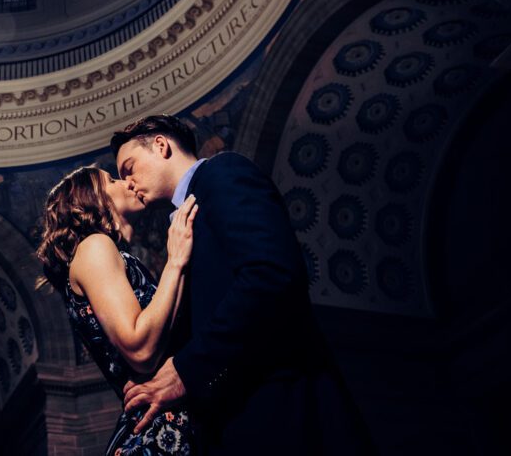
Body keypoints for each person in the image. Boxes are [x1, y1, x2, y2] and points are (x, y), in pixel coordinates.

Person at [112, 115, 372, 454]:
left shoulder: (223, 173)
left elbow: (271, 274)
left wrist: (186, 369)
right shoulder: (179, 226)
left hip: (284, 412)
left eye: (129, 168)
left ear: (161, 146)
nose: (127, 183)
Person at [36, 166, 200, 454]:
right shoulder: (94, 246)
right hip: (159, 438)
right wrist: (175, 260)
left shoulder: (105, 252)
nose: (126, 183)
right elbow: (140, 350)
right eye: (111, 180)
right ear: (89, 198)